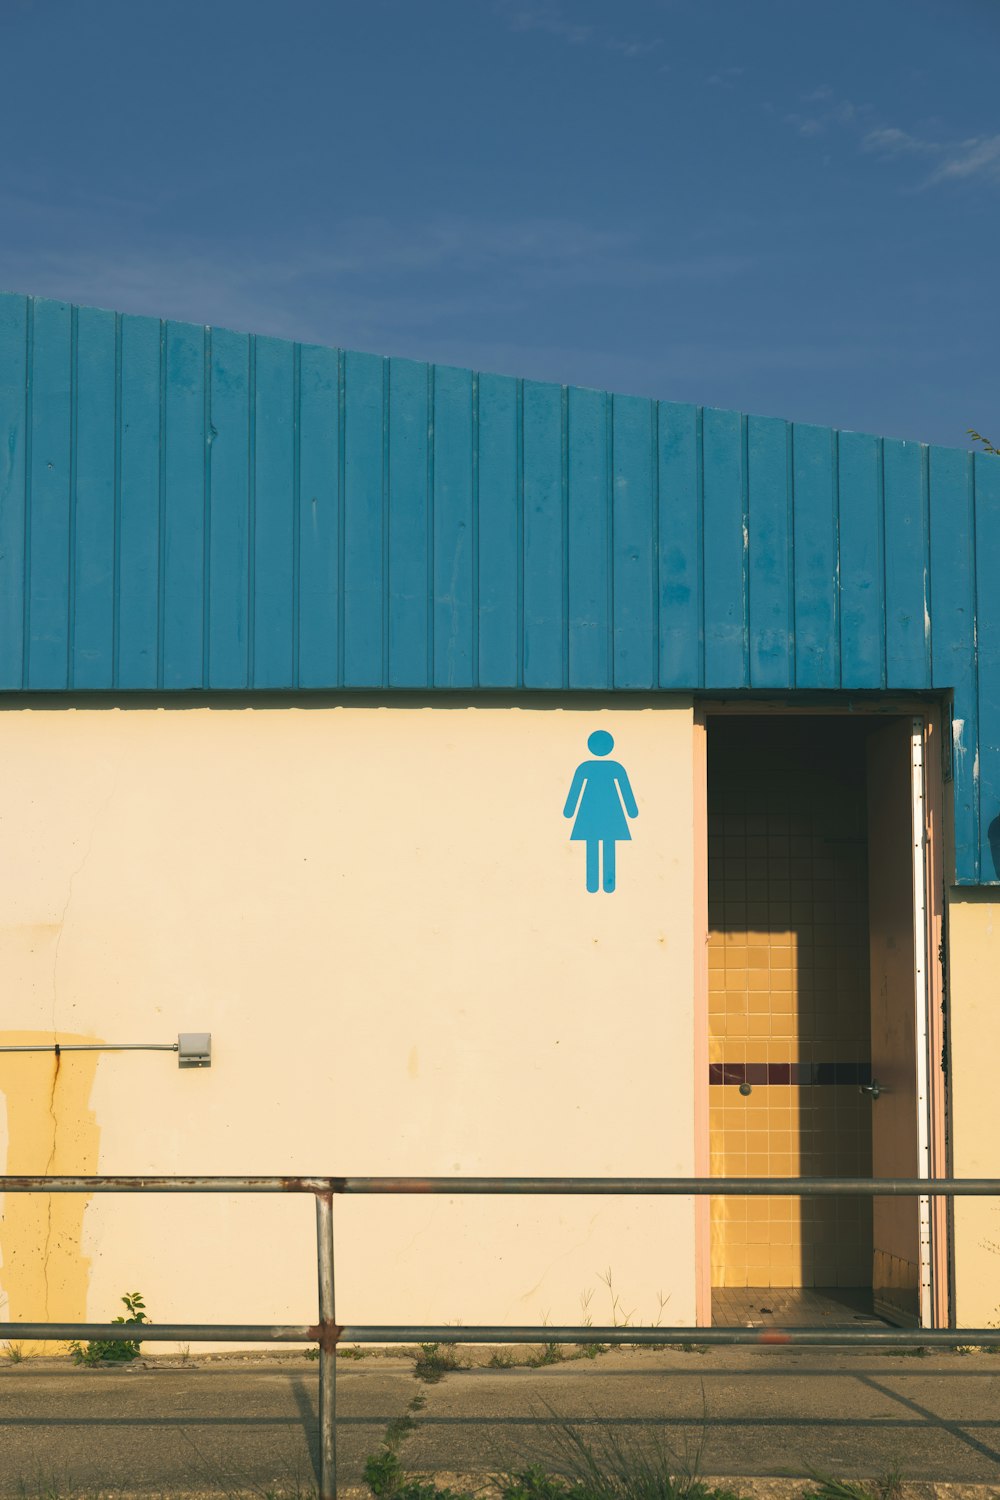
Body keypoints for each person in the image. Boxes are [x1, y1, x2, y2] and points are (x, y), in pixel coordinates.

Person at [563, 731, 638, 893]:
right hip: (608, 813)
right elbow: (625, 791)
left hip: (591, 813)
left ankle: (594, 884)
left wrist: (569, 811)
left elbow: (575, 791)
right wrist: (632, 811)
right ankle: (606, 884)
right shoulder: (614, 767)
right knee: (607, 845)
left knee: (594, 845)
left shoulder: (586, 767)